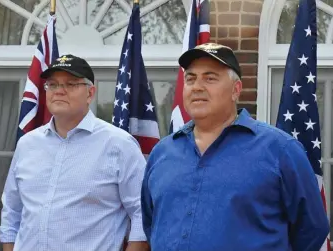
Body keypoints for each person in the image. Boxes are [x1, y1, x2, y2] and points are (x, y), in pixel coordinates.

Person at [140, 43, 330, 251]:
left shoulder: (280, 150)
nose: (197, 87)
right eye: (190, 78)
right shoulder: (162, 152)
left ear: (236, 90)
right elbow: (153, 224)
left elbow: (312, 230)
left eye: (210, 78)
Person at [0, 54, 149, 251]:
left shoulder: (118, 144)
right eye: (52, 85)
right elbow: (12, 212)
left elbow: (142, 213)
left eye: (70, 84)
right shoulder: (27, 144)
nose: (59, 91)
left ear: (90, 93)